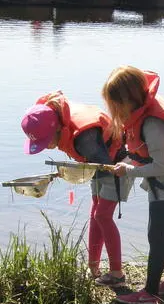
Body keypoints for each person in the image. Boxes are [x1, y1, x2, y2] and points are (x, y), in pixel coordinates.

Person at [103, 66, 164, 304]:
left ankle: (151, 294)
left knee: (155, 235)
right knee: (159, 234)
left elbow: (161, 166)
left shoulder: (152, 125)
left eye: (115, 104)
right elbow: (143, 155)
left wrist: (130, 171)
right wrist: (126, 162)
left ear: (128, 99)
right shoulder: (141, 113)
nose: (113, 110)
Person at [20, 91, 130, 286]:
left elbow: (104, 168)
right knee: (95, 211)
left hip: (118, 163)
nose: (45, 147)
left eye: (46, 142)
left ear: (56, 130)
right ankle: (93, 267)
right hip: (97, 159)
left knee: (103, 215)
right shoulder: (56, 120)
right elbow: (90, 165)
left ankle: (117, 275)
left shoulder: (84, 138)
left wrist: (71, 171)